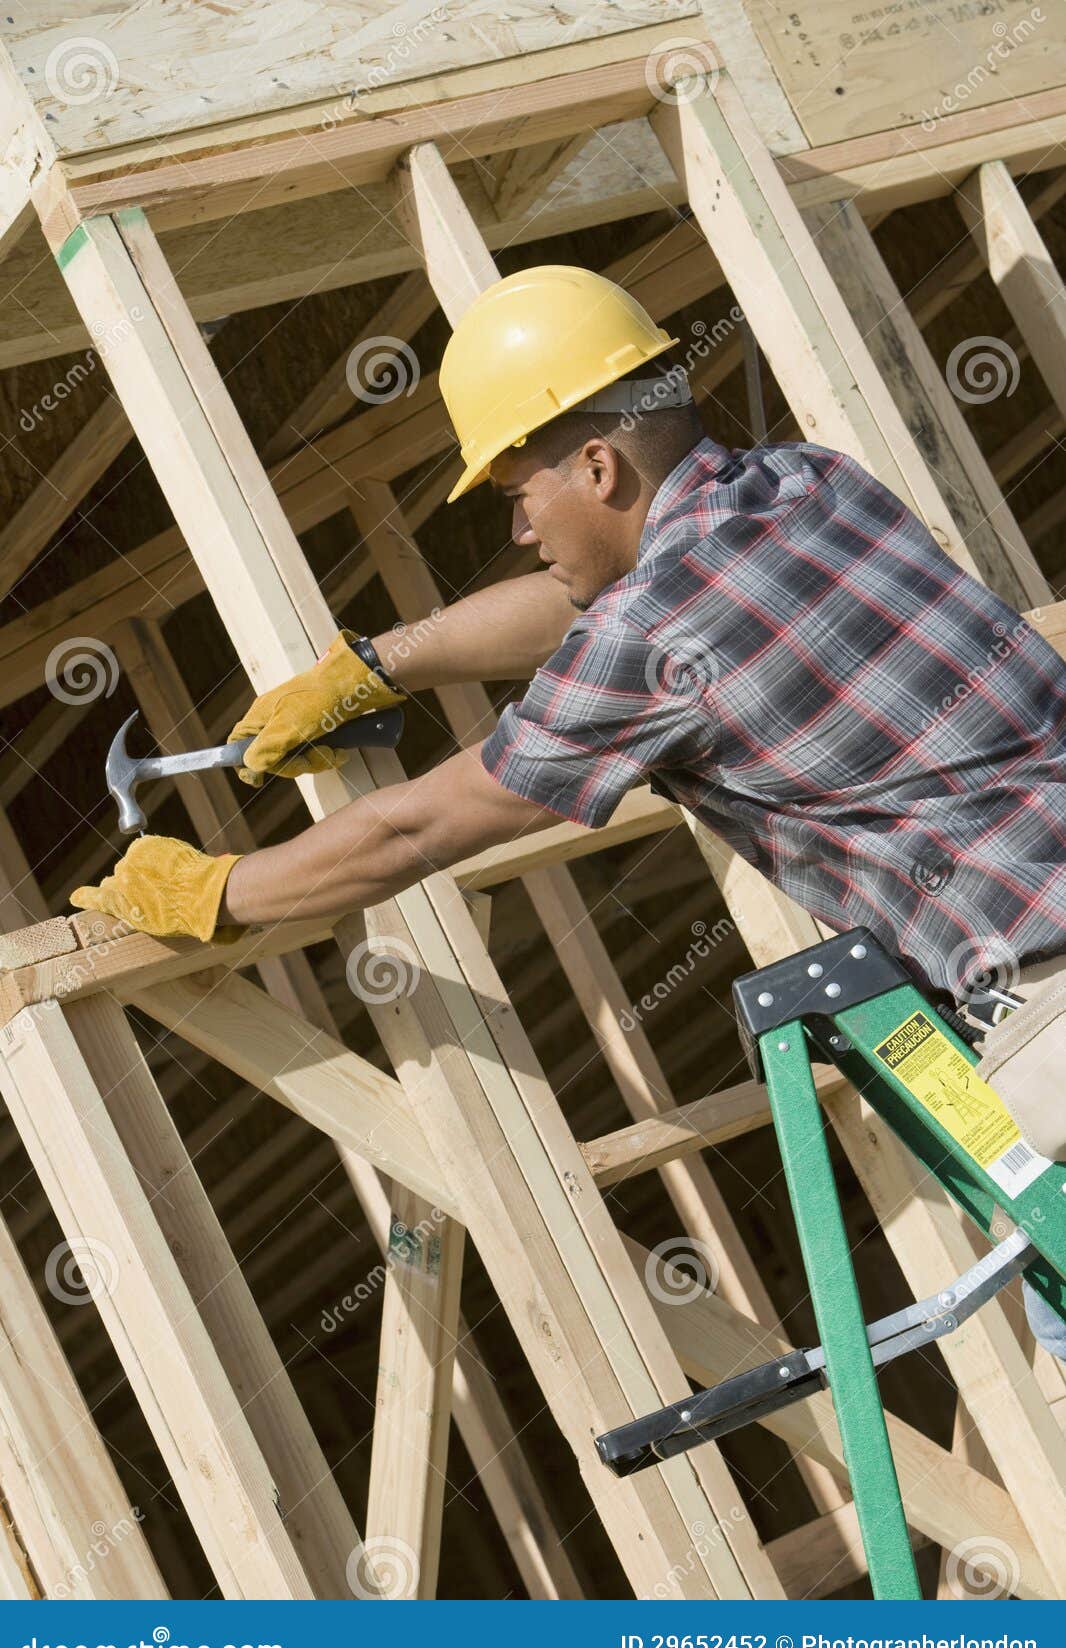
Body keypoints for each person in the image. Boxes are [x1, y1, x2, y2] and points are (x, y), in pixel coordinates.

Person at [71, 264, 1066, 1355]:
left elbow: (417, 825)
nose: (518, 529)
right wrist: (380, 665)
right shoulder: (811, 484)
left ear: (596, 464)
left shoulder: (644, 640)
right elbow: (579, 603)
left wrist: (214, 889)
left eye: (517, 494)